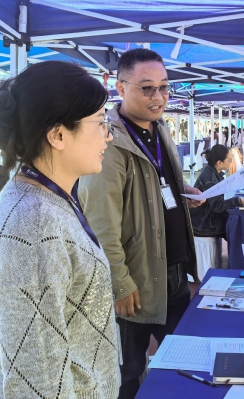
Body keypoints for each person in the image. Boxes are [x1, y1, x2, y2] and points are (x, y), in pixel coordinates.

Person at [0, 61, 120, 398]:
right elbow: (36, 380)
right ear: (58, 135)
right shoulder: (33, 227)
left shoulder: (48, 201)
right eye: (100, 122)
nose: (108, 136)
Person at [78, 48, 203, 399]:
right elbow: (101, 223)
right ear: (120, 87)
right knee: (127, 373)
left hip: (173, 270)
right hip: (135, 278)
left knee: (185, 361)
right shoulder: (109, 142)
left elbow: (156, 182)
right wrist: (119, 282)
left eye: (164, 87)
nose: (158, 96)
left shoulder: (160, 129)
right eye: (147, 88)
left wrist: (184, 191)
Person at [190, 145, 244, 238]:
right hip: (204, 225)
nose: (231, 162)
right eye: (229, 160)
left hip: (207, 220)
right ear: (219, 163)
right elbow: (217, 205)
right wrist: (237, 200)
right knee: (239, 231)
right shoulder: (210, 179)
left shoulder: (212, 172)